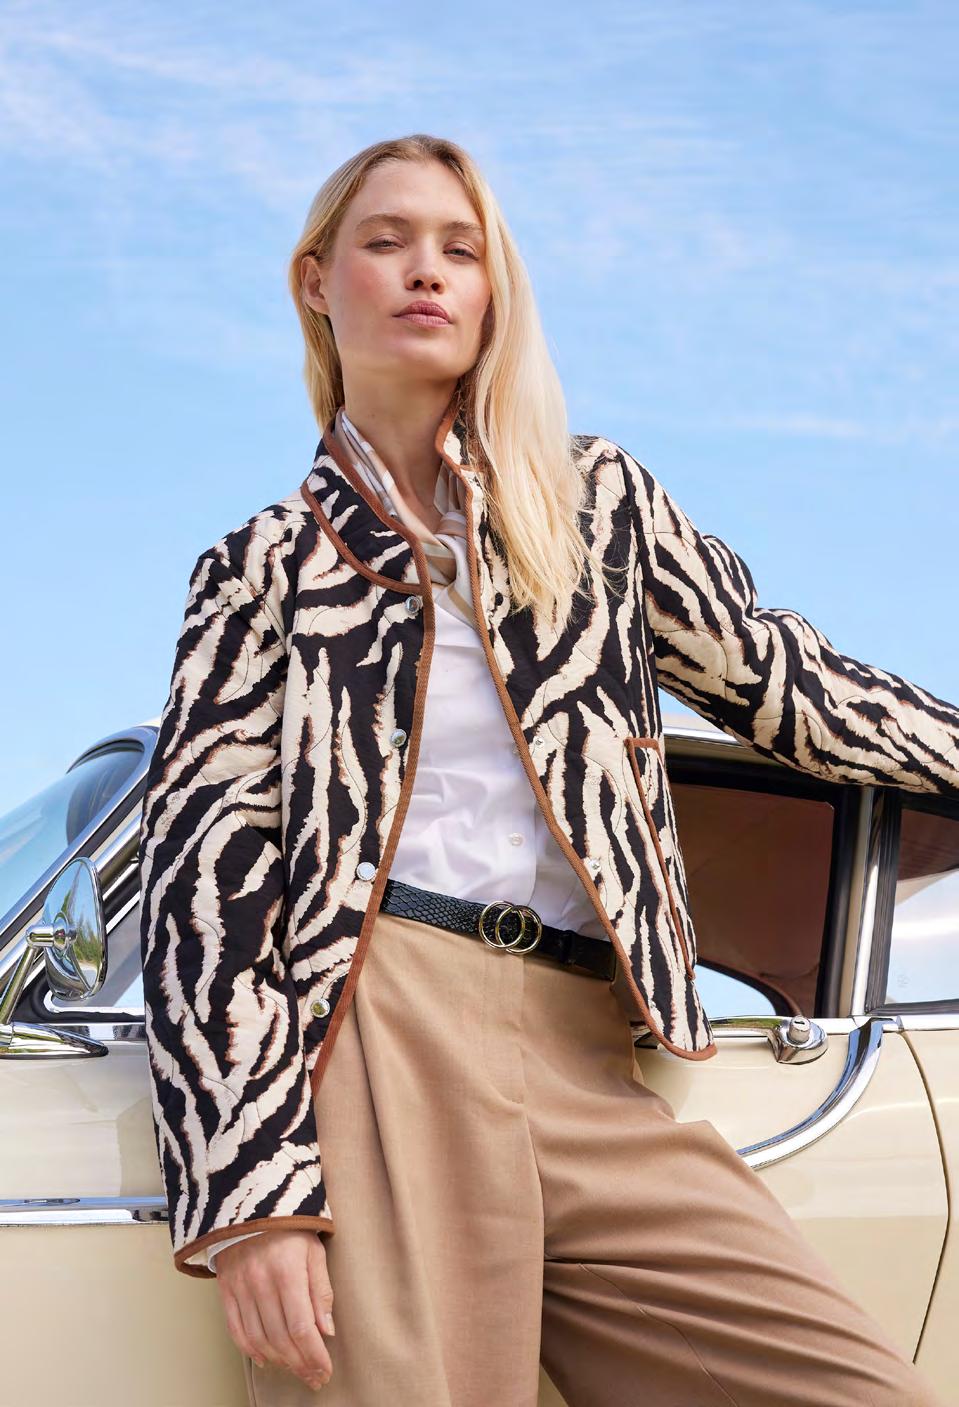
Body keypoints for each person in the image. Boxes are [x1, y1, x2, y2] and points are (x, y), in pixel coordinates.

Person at [138, 133, 959, 1406]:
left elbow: (782, 684)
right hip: (380, 1031)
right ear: (316, 281)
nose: (426, 272)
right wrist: (250, 1192)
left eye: (460, 250)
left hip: (590, 1044)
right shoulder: (262, 568)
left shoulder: (594, 505)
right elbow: (206, 886)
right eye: (385, 242)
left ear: (493, 288)